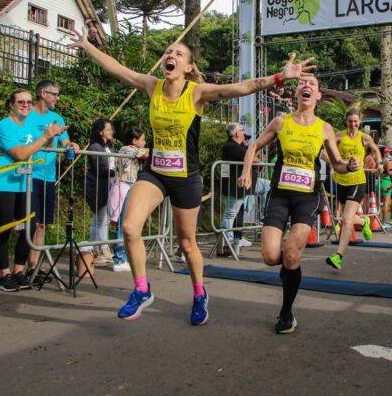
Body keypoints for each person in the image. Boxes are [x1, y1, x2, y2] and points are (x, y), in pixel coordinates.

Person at [69, 28, 314, 324]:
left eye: (179, 53)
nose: (171, 55)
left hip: (186, 178)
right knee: (130, 228)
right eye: (168, 51)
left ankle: (199, 294)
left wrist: (279, 76)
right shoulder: (152, 86)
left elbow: (242, 87)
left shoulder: (196, 92)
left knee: (187, 243)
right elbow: (117, 68)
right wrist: (86, 46)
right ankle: (142, 289)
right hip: (156, 174)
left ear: (188, 67)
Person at [238, 74, 359, 333]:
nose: (306, 86)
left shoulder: (324, 128)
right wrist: (246, 171)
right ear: (296, 93)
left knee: (291, 256)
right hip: (280, 194)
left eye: (312, 84)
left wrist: (347, 166)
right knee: (272, 256)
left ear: (317, 96)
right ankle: (291, 270)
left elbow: (336, 163)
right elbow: (253, 146)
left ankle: (286, 312)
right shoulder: (281, 122)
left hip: (307, 197)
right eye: (302, 83)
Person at [0, 89, 65, 291]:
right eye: (21, 102)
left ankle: (18, 271)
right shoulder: (4, 124)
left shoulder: (29, 125)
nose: (26, 105)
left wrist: (52, 135)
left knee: (29, 227)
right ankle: (4, 274)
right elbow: (20, 153)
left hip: (24, 182)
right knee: (4, 228)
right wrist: (45, 136)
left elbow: (42, 147)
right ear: (11, 104)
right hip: (2, 183)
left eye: (29, 102)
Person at [24, 80, 79, 283]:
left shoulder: (57, 118)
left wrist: (72, 144)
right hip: (28, 174)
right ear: (42, 94)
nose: (57, 98)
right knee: (28, 223)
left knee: (42, 225)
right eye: (54, 94)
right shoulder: (27, 115)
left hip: (48, 177)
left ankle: (33, 268)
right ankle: (18, 269)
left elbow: (65, 142)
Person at [325, 106, 382, 270]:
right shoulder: (339, 136)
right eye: (350, 122)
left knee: (347, 218)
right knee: (346, 218)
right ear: (346, 121)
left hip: (358, 181)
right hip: (341, 180)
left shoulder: (363, 137)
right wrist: (334, 163)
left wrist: (379, 164)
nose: (353, 125)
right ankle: (364, 221)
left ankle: (338, 256)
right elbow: (325, 151)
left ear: (360, 122)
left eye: (356, 122)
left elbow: (376, 150)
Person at [108, 127, 148, 272]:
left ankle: (123, 256)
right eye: (142, 139)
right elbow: (146, 153)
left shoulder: (132, 150)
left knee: (127, 221)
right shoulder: (126, 149)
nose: (144, 142)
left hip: (130, 186)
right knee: (122, 222)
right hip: (123, 186)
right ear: (134, 140)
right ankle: (119, 259)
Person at [84, 119, 116, 265]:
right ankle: (100, 249)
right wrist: (117, 171)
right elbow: (102, 168)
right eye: (108, 129)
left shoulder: (109, 147)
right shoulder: (95, 147)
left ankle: (99, 249)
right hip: (98, 186)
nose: (111, 132)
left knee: (103, 220)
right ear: (100, 131)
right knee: (100, 220)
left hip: (108, 185)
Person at [219, 122, 250, 254]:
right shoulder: (231, 146)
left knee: (235, 213)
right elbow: (253, 158)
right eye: (242, 130)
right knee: (230, 214)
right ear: (237, 133)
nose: (244, 133)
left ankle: (234, 238)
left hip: (238, 185)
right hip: (233, 186)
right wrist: (251, 152)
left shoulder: (238, 146)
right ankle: (229, 241)